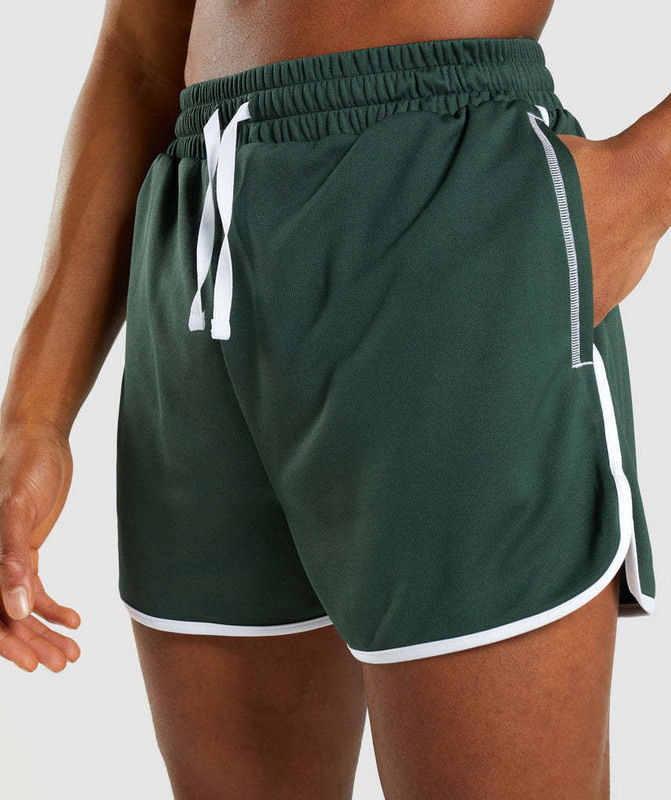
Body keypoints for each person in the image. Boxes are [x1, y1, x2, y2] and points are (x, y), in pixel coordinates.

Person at [0, 0, 667, 796]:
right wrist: (34, 416)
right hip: (199, 237)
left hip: (445, 204)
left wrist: (646, 178)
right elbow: (143, 56)